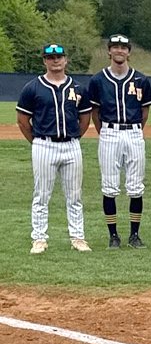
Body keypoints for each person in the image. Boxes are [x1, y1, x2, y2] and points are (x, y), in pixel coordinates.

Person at [16, 42, 93, 254]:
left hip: (71, 145)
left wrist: (75, 137)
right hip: (44, 144)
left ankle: (78, 237)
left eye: (59, 57)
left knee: (75, 195)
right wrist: (37, 142)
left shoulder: (77, 88)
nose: (55, 61)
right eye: (50, 58)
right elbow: (23, 120)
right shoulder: (33, 87)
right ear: (44, 61)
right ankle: (39, 238)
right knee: (41, 194)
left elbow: (84, 118)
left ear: (65, 60)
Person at [87, 33, 151, 249]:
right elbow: (95, 112)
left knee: (136, 187)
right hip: (110, 131)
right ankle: (113, 235)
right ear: (109, 50)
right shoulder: (98, 80)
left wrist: (135, 130)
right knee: (109, 186)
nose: (119, 51)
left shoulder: (141, 79)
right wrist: (105, 132)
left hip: (134, 132)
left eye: (123, 47)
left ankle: (134, 235)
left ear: (129, 52)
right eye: (115, 47)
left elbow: (145, 111)